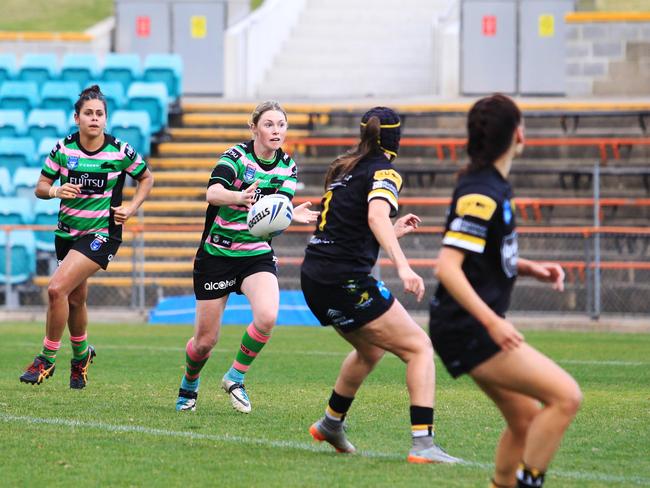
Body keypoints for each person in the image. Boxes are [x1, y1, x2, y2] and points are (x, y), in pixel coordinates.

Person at [429, 94, 582, 487]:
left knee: (525, 419)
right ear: (518, 134)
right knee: (566, 397)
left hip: (465, 325)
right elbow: (448, 267)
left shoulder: (491, 184)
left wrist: (528, 268)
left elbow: (484, 252)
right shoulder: (481, 192)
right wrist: (492, 323)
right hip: (468, 328)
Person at [300, 107, 458, 464]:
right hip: (344, 280)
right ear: (395, 137)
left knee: (370, 351)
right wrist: (404, 266)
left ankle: (330, 424)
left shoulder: (346, 168)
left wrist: (393, 229)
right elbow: (374, 215)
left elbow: (354, 224)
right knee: (419, 347)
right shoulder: (385, 171)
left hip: (315, 277)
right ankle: (423, 445)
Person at [175, 100, 318, 414]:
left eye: (281, 125)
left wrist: (289, 214)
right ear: (254, 128)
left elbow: (272, 213)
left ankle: (235, 376)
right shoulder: (235, 158)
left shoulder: (288, 166)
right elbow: (212, 193)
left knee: (267, 316)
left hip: (256, 254)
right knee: (205, 341)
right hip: (218, 253)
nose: (275, 130)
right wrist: (239, 196)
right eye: (268, 124)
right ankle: (189, 382)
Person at [20, 84, 154, 389]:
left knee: (56, 290)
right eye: (88, 113)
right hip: (67, 233)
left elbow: (147, 176)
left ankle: (46, 358)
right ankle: (81, 357)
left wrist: (132, 207)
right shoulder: (64, 149)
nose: (94, 118)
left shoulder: (119, 150)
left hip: (101, 234)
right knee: (76, 299)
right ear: (77, 118)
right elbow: (41, 186)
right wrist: (56, 190)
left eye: (100, 114)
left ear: (106, 119)